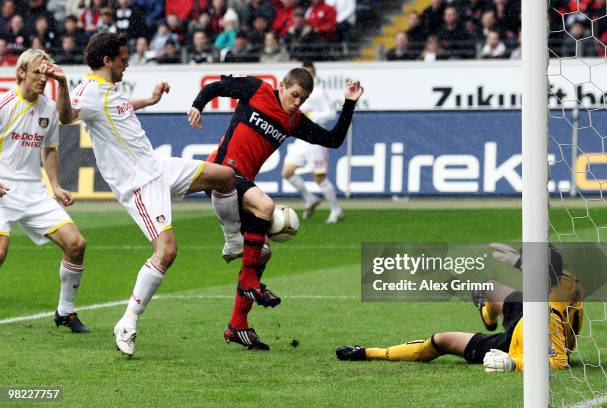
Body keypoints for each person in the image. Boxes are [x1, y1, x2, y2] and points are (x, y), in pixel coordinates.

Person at [49, 32, 235, 356]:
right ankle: (128, 321)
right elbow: (67, 116)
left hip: (157, 166)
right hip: (138, 184)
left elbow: (119, 108)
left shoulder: (110, 91)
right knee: (167, 251)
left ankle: (234, 239)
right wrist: (63, 84)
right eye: (123, 58)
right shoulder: (88, 91)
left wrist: (148, 101)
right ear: (107, 60)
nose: (127, 63)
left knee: (225, 176)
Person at [187, 68, 364, 350]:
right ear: (281, 86)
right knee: (266, 206)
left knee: (263, 252)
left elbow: (333, 140)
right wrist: (197, 106)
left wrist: (350, 103)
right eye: (294, 95)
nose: (297, 103)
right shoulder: (256, 90)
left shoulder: (293, 121)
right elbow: (216, 87)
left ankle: (237, 325)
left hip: (241, 182)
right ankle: (248, 281)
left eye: (303, 99)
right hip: (221, 173)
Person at [336, 244, 584, 373]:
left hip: (521, 342)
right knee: (487, 285)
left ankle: (368, 352)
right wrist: (521, 263)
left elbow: (558, 362)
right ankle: (487, 312)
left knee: (441, 340)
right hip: (526, 314)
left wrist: (513, 363)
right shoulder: (568, 279)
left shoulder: (548, 315)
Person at [0, 49, 89, 333]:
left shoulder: (48, 107)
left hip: (32, 191)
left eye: (46, 72)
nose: (42, 78)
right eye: (37, 72)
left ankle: (65, 311)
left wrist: (56, 185)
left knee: (76, 244)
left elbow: (49, 149)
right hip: (1, 188)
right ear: (21, 73)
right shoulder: (4, 104)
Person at [281, 61, 342, 223]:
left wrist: (314, 116)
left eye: (310, 73)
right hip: (300, 138)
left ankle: (336, 210)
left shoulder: (319, 93)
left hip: (314, 137)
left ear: (314, 75)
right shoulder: (293, 91)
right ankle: (310, 198)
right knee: (287, 172)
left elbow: (332, 113)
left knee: (319, 177)